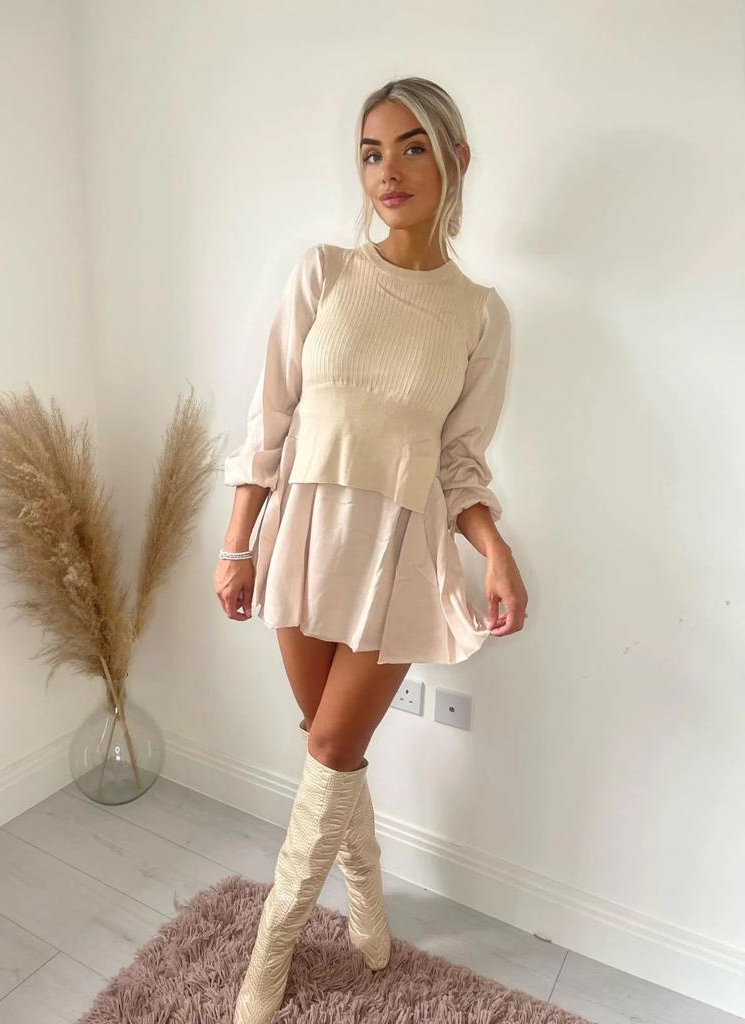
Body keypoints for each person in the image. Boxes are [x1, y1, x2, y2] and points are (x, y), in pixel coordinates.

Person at [214, 76, 528, 1024]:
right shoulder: (324, 273)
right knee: (332, 750)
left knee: (328, 743)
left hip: (398, 555)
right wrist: (237, 542)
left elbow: (461, 464)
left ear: (456, 159)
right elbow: (270, 419)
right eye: (371, 152)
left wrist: (495, 550)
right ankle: (368, 910)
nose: (388, 171)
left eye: (412, 147)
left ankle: (270, 951)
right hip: (302, 537)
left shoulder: (481, 314)